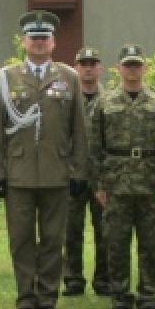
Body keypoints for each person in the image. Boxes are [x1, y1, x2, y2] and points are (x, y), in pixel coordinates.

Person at [0, 10, 89, 309]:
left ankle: (47, 299)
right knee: (21, 240)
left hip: (57, 174)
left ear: (53, 42)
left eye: (45, 38)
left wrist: (79, 171)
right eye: (34, 38)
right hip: (19, 175)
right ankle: (25, 299)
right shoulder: (7, 78)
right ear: (24, 42)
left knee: (53, 239)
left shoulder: (69, 77)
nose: (40, 43)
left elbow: (79, 130)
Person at [90, 45, 155, 309]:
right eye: (127, 65)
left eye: (137, 65)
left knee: (152, 242)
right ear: (118, 69)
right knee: (116, 241)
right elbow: (95, 147)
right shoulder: (104, 103)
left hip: (151, 182)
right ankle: (120, 296)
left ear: (145, 69)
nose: (132, 70)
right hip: (117, 183)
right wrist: (99, 185)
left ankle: (148, 295)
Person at [62, 47, 109, 296]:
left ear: (100, 69)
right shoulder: (65, 99)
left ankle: (104, 279)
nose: (88, 68)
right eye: (83, 64)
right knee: (71, 229)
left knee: (105, 230)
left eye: (93, 63)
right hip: (71, 174)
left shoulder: (110, 100)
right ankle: (72, 279)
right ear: (76, 68)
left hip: (102, 175)